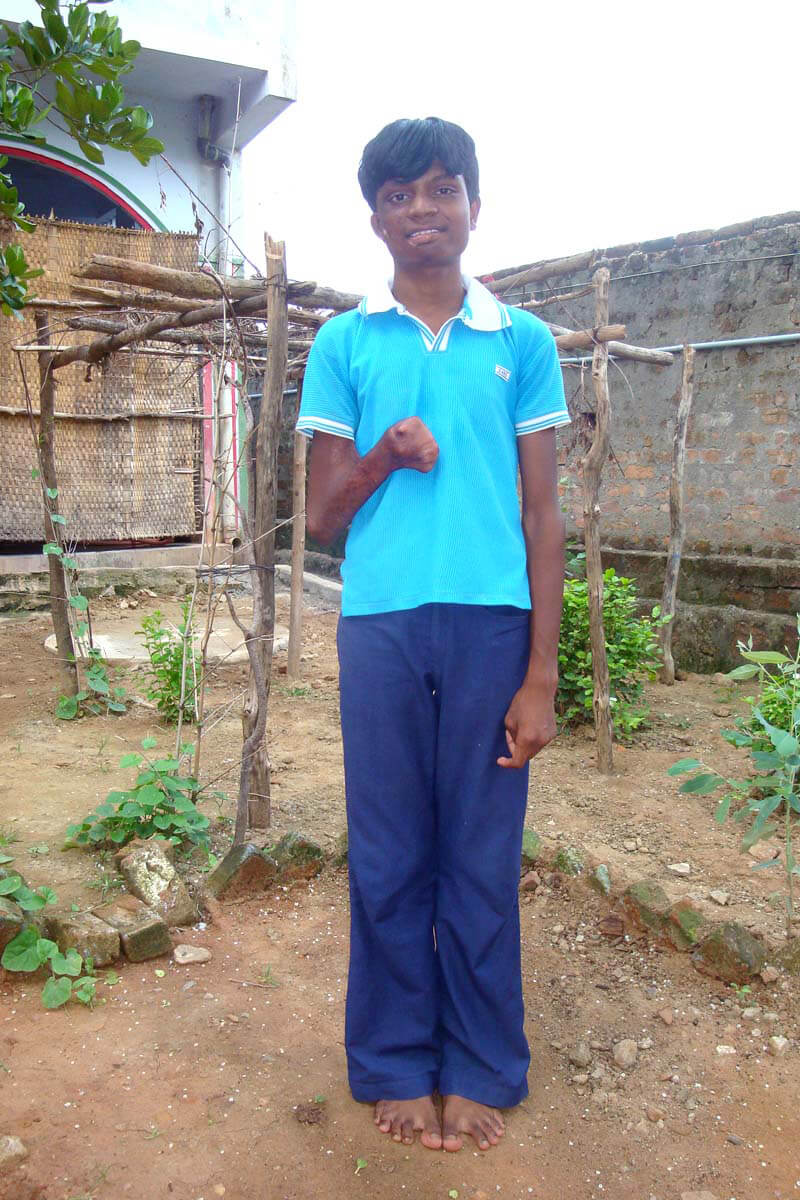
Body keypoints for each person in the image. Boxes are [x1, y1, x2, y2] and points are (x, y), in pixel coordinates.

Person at [296, 117, 569, 1153]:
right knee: (390, 850)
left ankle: (484, 1064)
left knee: (481, 855)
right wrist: (383, 458)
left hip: (493, 629)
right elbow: (323, 518)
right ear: (375, 217)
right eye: (400, 194)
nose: (422, 210)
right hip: (381, 628)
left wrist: (541, 674)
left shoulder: (521, 342)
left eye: (442, 189)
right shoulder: (344, 342)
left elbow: (542, 514)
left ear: (474, 206)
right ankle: (396, 1060)